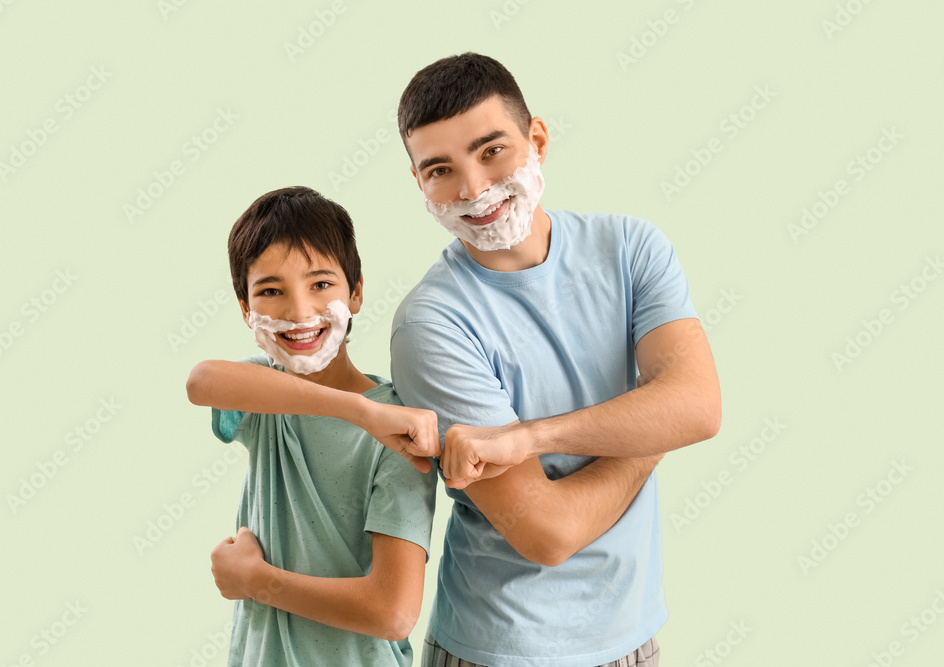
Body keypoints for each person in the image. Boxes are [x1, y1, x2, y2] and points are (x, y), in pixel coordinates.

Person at [390, 53, 722, 667]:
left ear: (536, 139)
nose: (474, 189)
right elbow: (547, 534)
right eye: (441, 169)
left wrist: (527, 439)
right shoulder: (429, 324)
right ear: (419, 184)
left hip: (635, 636)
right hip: (500, 649)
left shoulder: (631, 248)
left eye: (491, 151)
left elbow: (699, 407)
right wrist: (651, 424)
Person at [186, 186, 440, 666]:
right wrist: (358, 411)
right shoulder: (265, 397)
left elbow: (394, 612)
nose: (299, 312)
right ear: (246, 310)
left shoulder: (398, 436)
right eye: (270, 291)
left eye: (321, 284)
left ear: (357, 291)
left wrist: (255, 582)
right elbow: (201, 382)